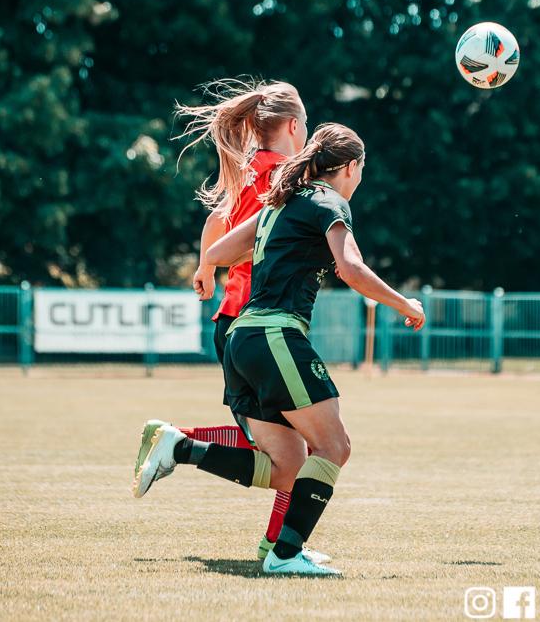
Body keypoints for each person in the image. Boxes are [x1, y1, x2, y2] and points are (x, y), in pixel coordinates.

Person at [133, 123, 426, 575]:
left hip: (241, 340)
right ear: (350, 167)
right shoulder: (330, 202)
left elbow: (220, 251)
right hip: (275, 336)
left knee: (289, 465)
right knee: (334, 446)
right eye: (362, 169)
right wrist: (405, 304)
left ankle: (181, 448)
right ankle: (285, 555)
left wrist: (220, 263)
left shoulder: (281, 202)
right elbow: (351, 268)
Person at [133, 78, 325, 563]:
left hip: (237, 318)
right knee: (289, 449)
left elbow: (218, 221)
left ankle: (276, 544)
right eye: (305, 124)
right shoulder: (285, 176)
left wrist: (207, 266)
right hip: (257, 322)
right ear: (294, 126)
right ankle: (179, 443)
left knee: (289, 446)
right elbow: (252, 233)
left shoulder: (250, 170)